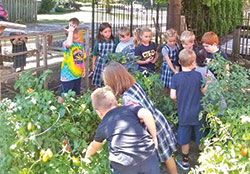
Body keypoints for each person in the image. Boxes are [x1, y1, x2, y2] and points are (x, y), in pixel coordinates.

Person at [103, 62, 178, 174]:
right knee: (167, 154)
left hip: (151, 125)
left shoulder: (127, 98)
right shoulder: (133, 84)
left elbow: (142, 117)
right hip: (157, 117)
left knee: (163, 155)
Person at [85, 87, 160, 174]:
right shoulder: (129, 109)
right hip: (147, 156)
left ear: (99, 113)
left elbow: (94, 146)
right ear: (116, 103)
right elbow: (146, 113)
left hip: (124, 165)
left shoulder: (104, 125)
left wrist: (86, 158)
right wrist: (154, 138)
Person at [170, 49, 208, 171]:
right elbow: (203, 91)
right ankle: (203, 159)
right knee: (200, 135)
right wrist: (208, 83)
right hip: (198, 112)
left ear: (180, 62)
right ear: (193, 63)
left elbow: (173, 96)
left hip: (184, 113)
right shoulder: (198, 75)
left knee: (184, 137)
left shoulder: (176, 78)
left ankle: (185, 162)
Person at [58, 17, 86, 103]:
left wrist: (83, 69)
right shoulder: (66, 44)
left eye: (78, 35)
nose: (78, 37)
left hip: (77, 74)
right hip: (67, 76)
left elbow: (82, 58)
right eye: (75, 36)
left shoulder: (80, 45)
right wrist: (70, 31)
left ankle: (72, 107)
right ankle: (59, 109)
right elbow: (69, 43)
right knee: (64, 94)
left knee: (75, 93)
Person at [92, 22, 118, 87]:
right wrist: (93, 64)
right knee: (100, 79)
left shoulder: (114, 41)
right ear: (101, 33)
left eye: (109, 31)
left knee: (110, 80)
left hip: (111, 62)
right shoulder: (98, 42)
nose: (108, 33)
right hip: (100, 63)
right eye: (105, 32)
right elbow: (95, 54)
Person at [160, 29, 179, 93]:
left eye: (174, 41)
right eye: (170, 41)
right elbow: (168, 61)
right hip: (168, 67)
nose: (172, 43)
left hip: (175, 64)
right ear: (166, 39)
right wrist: (174, 70)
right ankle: (166, 93)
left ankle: (173, 93)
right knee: (167, 81)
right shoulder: (165, 49)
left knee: (173, 82)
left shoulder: (176, 45)